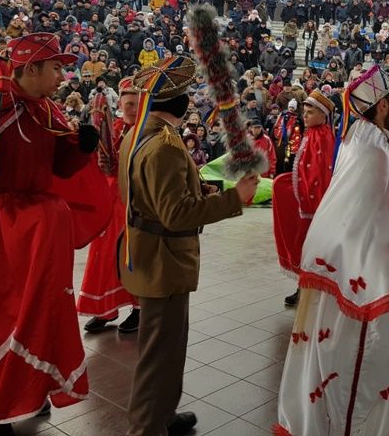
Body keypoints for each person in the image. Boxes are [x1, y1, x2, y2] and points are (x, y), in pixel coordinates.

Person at [275, 66, 389, 436]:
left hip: (339, 266)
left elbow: (378, 208)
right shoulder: (372, 150)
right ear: (381, 105)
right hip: (352, 272)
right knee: (355, 364)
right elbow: (375, 219)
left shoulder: (363, 138)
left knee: (332, 359)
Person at [0, 34, 106, 436]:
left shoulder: (47, 112)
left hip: (35, 231)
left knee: (38, 314)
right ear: (30, 69)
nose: (62, 75)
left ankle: (31, 391)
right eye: (55, 67)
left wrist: (81, 148)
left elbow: (61, 166)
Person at [118, 56, 259, 436]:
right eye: (185, 96)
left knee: (169, 347)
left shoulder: (139, 132)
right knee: (158, 353)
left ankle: (163, 414)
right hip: (163, 259)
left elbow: (154, 194)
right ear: (175, 103)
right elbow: (176, 214)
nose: (190, 102)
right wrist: (235, 199)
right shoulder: (162, 144)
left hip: (153, 255)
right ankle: (146, 427)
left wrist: (199, 188)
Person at [77, 77, 141, 334]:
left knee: (132, 256)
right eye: (128, 104)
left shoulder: (151, 131)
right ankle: (104, 308)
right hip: (108, 200)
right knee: (103, 255)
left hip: (135, 201)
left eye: (137, 104)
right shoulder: (113, 127)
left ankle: (139, 308)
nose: (132, 109)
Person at [272, 89, 336, 307]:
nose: (305, 116)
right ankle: (304, 286)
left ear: (322, 114)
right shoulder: (312, 132)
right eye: (304, 111)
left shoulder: (323, 135)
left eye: (310, 112)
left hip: (313, 203)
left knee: (309, 245)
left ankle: (310, 289)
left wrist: (310, 203)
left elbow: (320, 173)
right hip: (305, 198)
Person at [273, 98, 303, 174]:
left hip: (290, 143)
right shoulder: (282, 116)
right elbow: (276, 127)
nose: (291, 109)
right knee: (279, 159)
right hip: (281, 141)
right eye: (290, 107)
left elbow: (298, 133)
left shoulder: (297, 119)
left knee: (289, 160)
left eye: (293, 107)